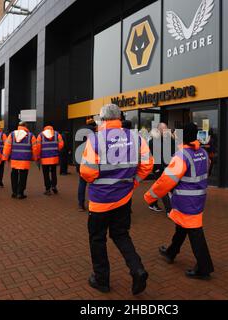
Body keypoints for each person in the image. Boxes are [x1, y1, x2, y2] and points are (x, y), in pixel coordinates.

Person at [80, 104, 153, 295]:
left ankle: (102, 280)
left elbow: (87, 172)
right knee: (121, 235)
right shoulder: (136, 138)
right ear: (119, 118)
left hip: (100, 200)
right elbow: (147, 165)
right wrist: (133, 183)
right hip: (124, 198)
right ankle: (137, 269)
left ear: (103, 119)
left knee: (97, 239)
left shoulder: (95, 139)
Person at [144, 123, 214, 280]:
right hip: (198, 198)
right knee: (182, 227)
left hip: (185, 200)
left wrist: (150, 196)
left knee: (194, 232)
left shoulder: (182, 155)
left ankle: (204, 267)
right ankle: (171, 252)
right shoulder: (203, 152)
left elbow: (165, 181)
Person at [2, 121, 39, 199]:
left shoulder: (12, 135)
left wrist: (5, 158)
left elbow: (7, 147)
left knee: (14, 175)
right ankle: (20, 193)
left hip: (14, 159)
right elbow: (35, 148)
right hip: (25, 160)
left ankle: (14, 192)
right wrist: (35, 158)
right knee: (23, 176)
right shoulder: (30, 136)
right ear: (26, 126)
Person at [148, 122, 175, 213]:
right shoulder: (153, 141)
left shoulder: (170, 140)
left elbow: (174, 152)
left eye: (166, 129)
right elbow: (156, 157)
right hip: (158, 168)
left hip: (168, 167)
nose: (165, 131)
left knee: (160, 187)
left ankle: (152, 203)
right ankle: (169, 210)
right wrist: (161, 168)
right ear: (158, 130)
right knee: (163, 188)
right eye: (163, 129)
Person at [36, 122, 64, 195]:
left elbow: (38, 147)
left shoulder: (40, 135)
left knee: (46, 174)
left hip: (44, 158)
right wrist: (56, 150)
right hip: (54, 157)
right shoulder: (57, 134)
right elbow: (61, 144)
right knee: (53, 173)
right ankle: (54, 186)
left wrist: (38, 156)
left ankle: (47, 189)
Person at [76, 117, 97, 212]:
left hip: (80, 160)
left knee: (82, 183)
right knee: (94, 183)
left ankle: (80, 204)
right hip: (91, 161)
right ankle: (94, 203)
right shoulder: (95, 134)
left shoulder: (79, 131)